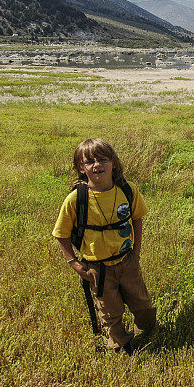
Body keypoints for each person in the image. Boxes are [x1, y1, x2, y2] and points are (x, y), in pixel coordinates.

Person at [52, 138, 157, 354]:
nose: (96, 165)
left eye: (102, 159)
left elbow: (137, 218)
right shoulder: (75, 200)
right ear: (81, 168)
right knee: (110, 311)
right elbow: (60, 234)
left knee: (143, 303)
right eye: (89, 161)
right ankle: (121, 344)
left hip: (128, 261)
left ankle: (147, 332)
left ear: (114, 163)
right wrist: (74, 263)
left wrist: (136, 253)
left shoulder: (127, 190)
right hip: (97, 268)